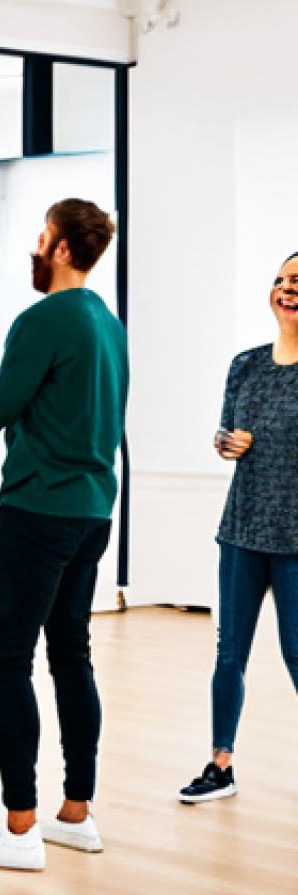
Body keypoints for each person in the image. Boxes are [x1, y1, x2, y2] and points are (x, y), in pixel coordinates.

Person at [0, 199, 128, 871]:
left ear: (64, 249)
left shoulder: (42, 319)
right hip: (93, 512)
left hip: (36, 512)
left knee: (7, 662)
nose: (35, 251)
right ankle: (76, 813)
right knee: (71, 654)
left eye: (42, 238)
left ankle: (19, 828)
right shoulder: (109, 324)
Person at [179, 253, 298, 804]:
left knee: (296, 656)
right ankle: (219, 765)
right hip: (242, 530)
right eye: (281, 280)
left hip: (295, 539)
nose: (286, 289)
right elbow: (225, 435)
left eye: (297, 281)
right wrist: (225, 443)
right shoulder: (245, 365)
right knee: (230, 654)